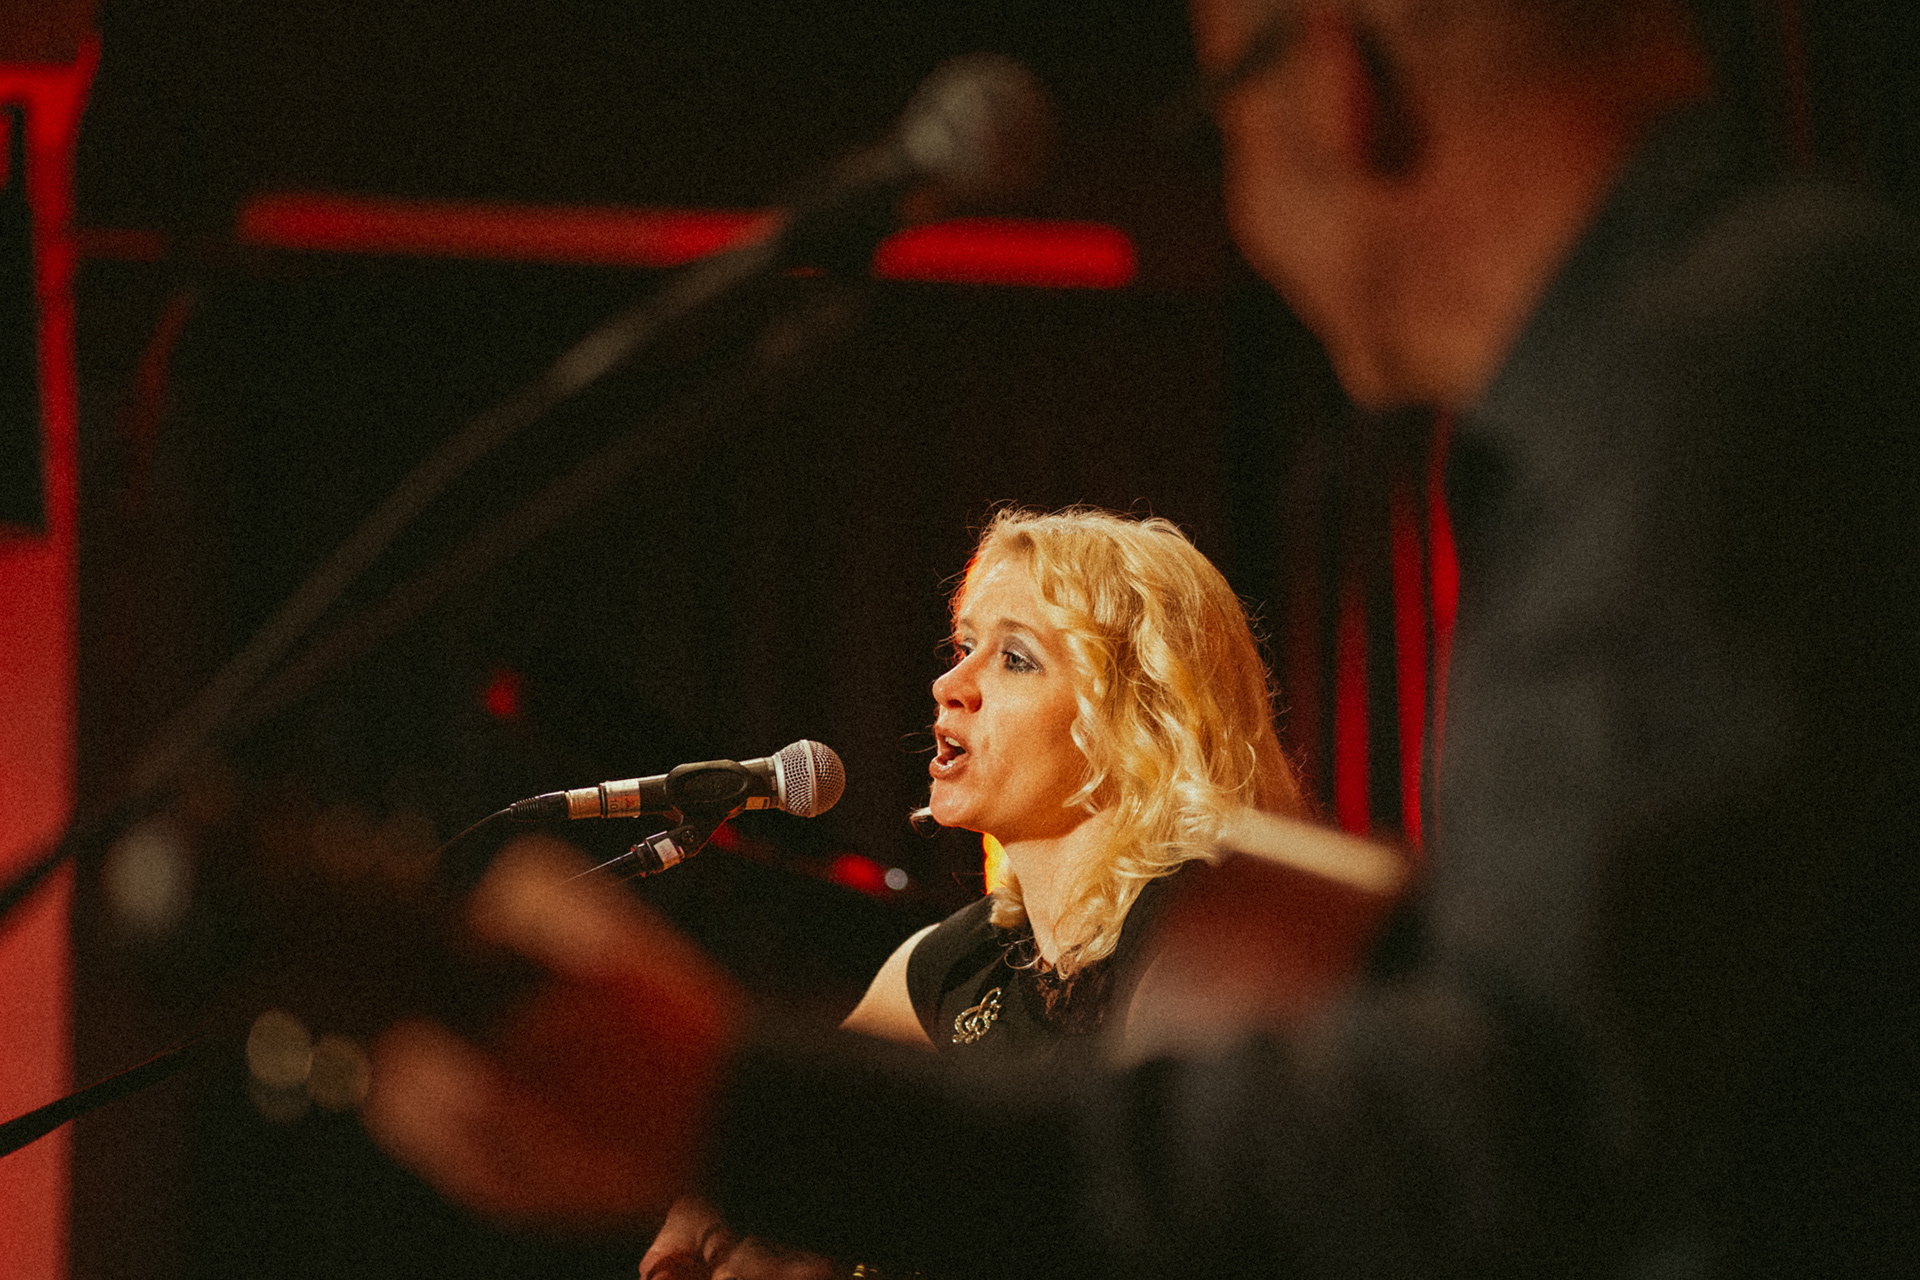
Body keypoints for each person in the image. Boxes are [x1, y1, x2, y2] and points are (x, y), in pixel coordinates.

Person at [367, 1, 1920, 1274]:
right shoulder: (1717, 371)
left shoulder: (1729, 383)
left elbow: (1496, 1136)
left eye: (1211, 129)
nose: (1234, 207)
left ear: (1336, 76)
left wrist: (735, 1106)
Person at [637, 507, 1308, 1279]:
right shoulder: (958, 962)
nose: (949, 683)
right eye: (963, 647)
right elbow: (805, 1138)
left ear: (1138, 718)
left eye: (1015, 659)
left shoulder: (1217, 936)